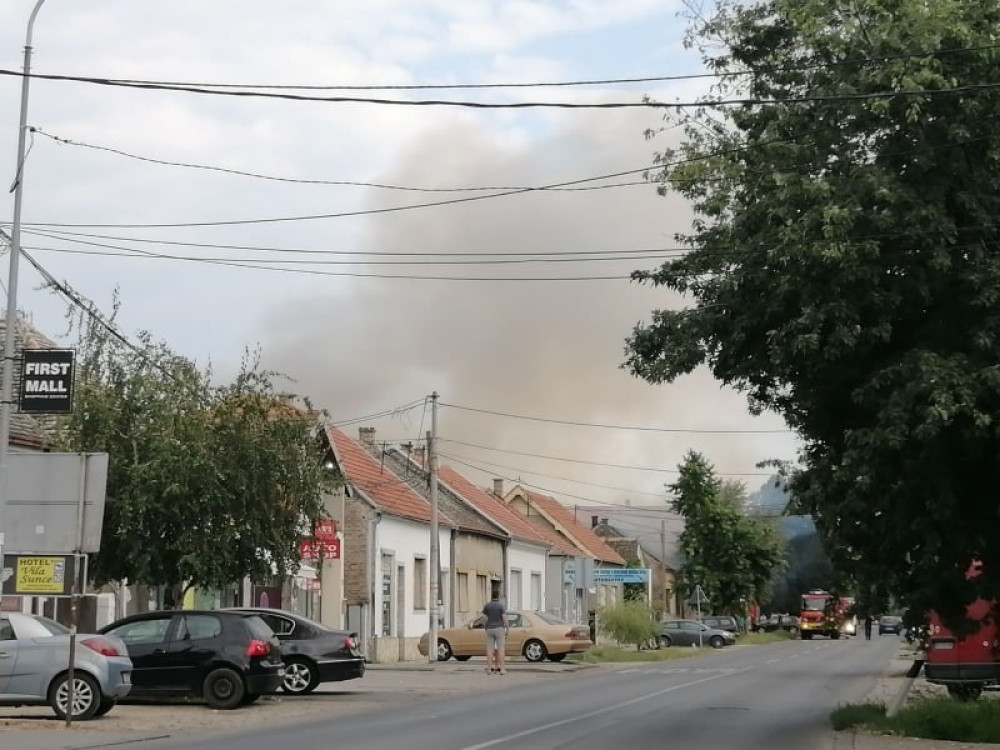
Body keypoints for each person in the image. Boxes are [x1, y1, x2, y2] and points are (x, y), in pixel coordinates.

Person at [482, 590, 509, 675]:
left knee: (490, 649)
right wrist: (507, 628)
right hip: (499, 628)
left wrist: (485, 626)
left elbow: (484, 618)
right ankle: (502, 669)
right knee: (501, 649)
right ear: (499, 596)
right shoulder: (501, 606)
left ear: (491, 596)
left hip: (489, 629)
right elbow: (504, 617)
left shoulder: (487, 606)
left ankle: (489, 669)